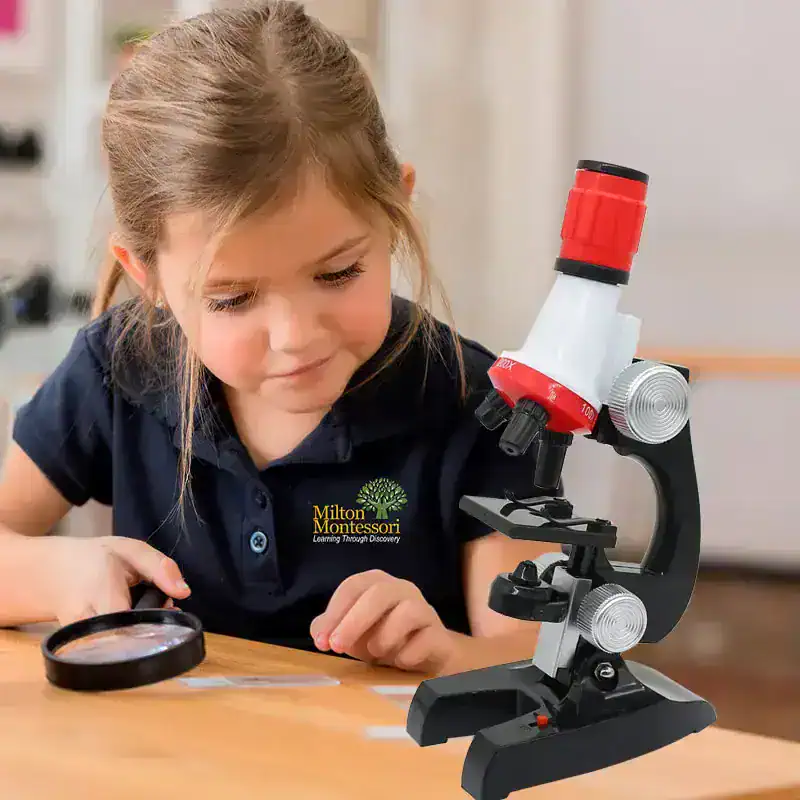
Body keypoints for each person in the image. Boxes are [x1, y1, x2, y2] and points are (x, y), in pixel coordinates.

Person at [0, 1, 555, 676]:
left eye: (339, 272)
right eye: (233, 299)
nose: (295, 337)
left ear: (396, 210)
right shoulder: (119, 367)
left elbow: (534, 672)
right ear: (145, 276)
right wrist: (57, 570)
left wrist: (442, 653)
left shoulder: (479, 409)